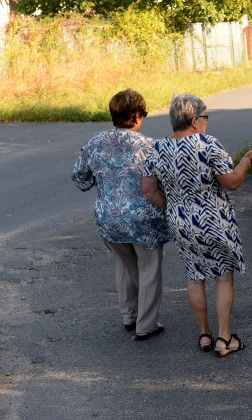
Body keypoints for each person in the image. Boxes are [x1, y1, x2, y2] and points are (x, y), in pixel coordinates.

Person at [141, 94, 252, 357]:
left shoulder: (158, 148)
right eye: (205, 118)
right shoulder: (207, 144)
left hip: (180, 222)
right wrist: (246, 161)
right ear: (195, 121)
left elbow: (149, 190)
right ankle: (224, 338)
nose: (206, 123)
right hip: (214, 221)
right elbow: (231, 182)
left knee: (195, 278)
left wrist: (175, 207)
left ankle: (204, 334)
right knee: (222, 276)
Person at [72, 89, 171, 341]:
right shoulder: (149, 145)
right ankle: (146, 326)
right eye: (144, 113)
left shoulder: (95, 143)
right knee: (149, 268)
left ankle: (129, 316)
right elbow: (166, 182)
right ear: (137, 115)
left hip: (108, 218)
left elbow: (80, 179)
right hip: (143, 219)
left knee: (125, 265)